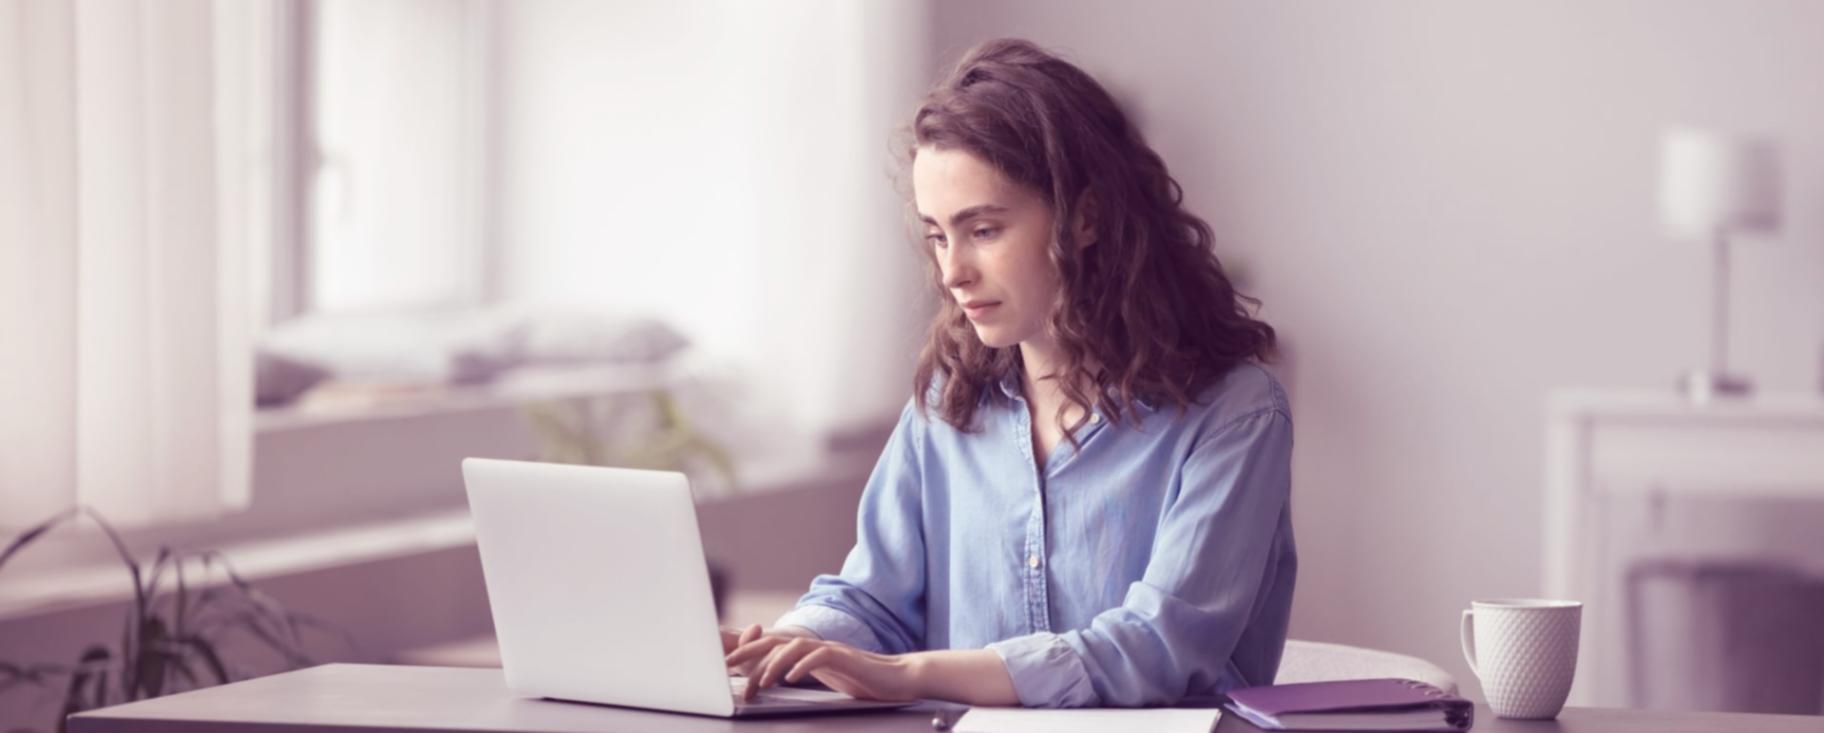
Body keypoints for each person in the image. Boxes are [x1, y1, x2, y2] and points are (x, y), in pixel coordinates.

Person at [722, 37, 1296, 708]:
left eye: (984, 230)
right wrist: (784, 644)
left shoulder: (1236, 414)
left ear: (1085, 218)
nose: (952, 271)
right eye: (938, 235)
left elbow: (1157, 648)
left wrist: (910, 674)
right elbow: (873, 600)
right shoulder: (947, 403)